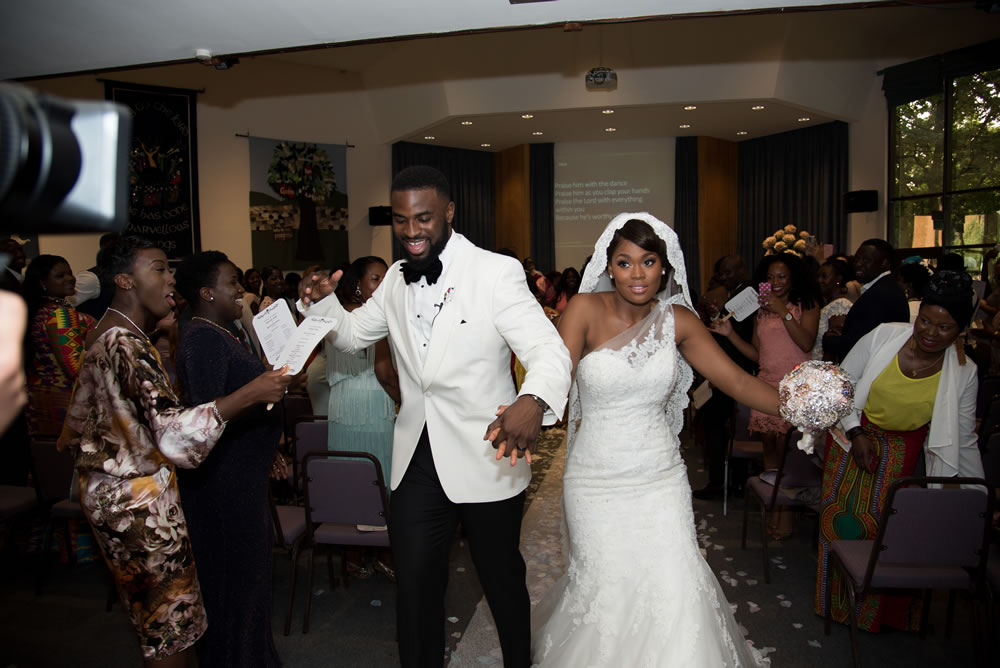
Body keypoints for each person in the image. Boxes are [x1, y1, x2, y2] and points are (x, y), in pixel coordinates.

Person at [299, 165, 571, 668]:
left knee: (501, 580)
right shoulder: (397, 280)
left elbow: (548, 352)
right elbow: (354, 334)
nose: (411, 231)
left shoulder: (494, 272)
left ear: (448, 212)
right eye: (401, 221)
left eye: (422, 218)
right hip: (415, 459)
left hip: (487, 453)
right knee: (417, 588)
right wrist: (324, 306)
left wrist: (532, 400)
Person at [532, 214, 777, 667]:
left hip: (659, 478)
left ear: (664, 267)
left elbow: (738, 382)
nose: (637, 273)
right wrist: (523, 410)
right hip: (595, 481)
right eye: (625, 263)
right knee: (606, 586)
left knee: (673, 580)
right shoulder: (583, 309)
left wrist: (799, 405)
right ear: (609, 266)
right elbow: (552, 377)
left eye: (648, 261)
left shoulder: (679, 320)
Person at [59, 237, 292, 667]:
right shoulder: (125, 345)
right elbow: (171, 433)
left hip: (120, 493)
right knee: (171, 630)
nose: (170, 279)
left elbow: (77, 425)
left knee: (164, 623)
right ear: (125, 279)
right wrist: (248, 395)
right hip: (137, 504)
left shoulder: (111, 333)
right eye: (159, 268)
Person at [815, 270, 983, 633]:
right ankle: (839, 608)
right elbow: (841, 387)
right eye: (925, 320)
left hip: (903, 454)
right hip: (850, 438)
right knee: (841, 523)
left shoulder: (965, 372)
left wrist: (975, 498)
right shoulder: (884, 337)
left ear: (960, 330)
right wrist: (856, 432)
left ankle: (878, 616)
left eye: (944, 327)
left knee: (885, 533)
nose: (929, 333)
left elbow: (963, 437)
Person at [171, 251, 285, 667]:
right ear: (206, 292)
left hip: (241, 473)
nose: (240, 291)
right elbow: (207, 416)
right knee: (236, 579)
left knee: (249, 577)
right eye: (232, 283)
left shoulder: (223, 332)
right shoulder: (203, 338)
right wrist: (259, 391)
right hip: (224, 482)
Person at [712, 252, 820, 537]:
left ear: (793, 278)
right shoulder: (762, 312)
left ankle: (785, 516)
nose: (775, 282)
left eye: (781, 277)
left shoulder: (806, 306)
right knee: (771, 453)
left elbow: (806, 341)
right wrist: (729, 334)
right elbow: (757, 354)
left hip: (796, 385)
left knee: (789, 452)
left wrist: (784, 310)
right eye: (770, 278)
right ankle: (776, 511)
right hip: (766, 383)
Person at [693, 254, 756, 500]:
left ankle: (721, 483)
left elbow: (734, 333)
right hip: (730, 368)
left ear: (741, 269)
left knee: (718, 427)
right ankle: (729, 481)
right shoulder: (734, 295)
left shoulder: (746, 295)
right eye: (722, 274)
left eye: (729, 272)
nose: (725, 278)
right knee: (726, 427)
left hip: (732, 370)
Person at [22, 255, 96, 436]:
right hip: (64, 399)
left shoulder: (38, 311)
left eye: (70, 273)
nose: (70, 278)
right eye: (60, 275)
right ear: (43, 283)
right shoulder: (60, 315)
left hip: (37, 395)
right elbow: (74, 366)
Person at [823, 239, 909, 363]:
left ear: (884, 263)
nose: (858, 264)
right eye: (857, 259)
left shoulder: (881, 293)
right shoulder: (885, 287)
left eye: (866, 260)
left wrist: (830, 339)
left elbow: (861, 343)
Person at [813, 257, 854, 360]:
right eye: (818, 276)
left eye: (824, 276)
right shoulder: (828, 304)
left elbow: (835, 345)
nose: (819, 280)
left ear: (838, 280)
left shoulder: (840, 305)